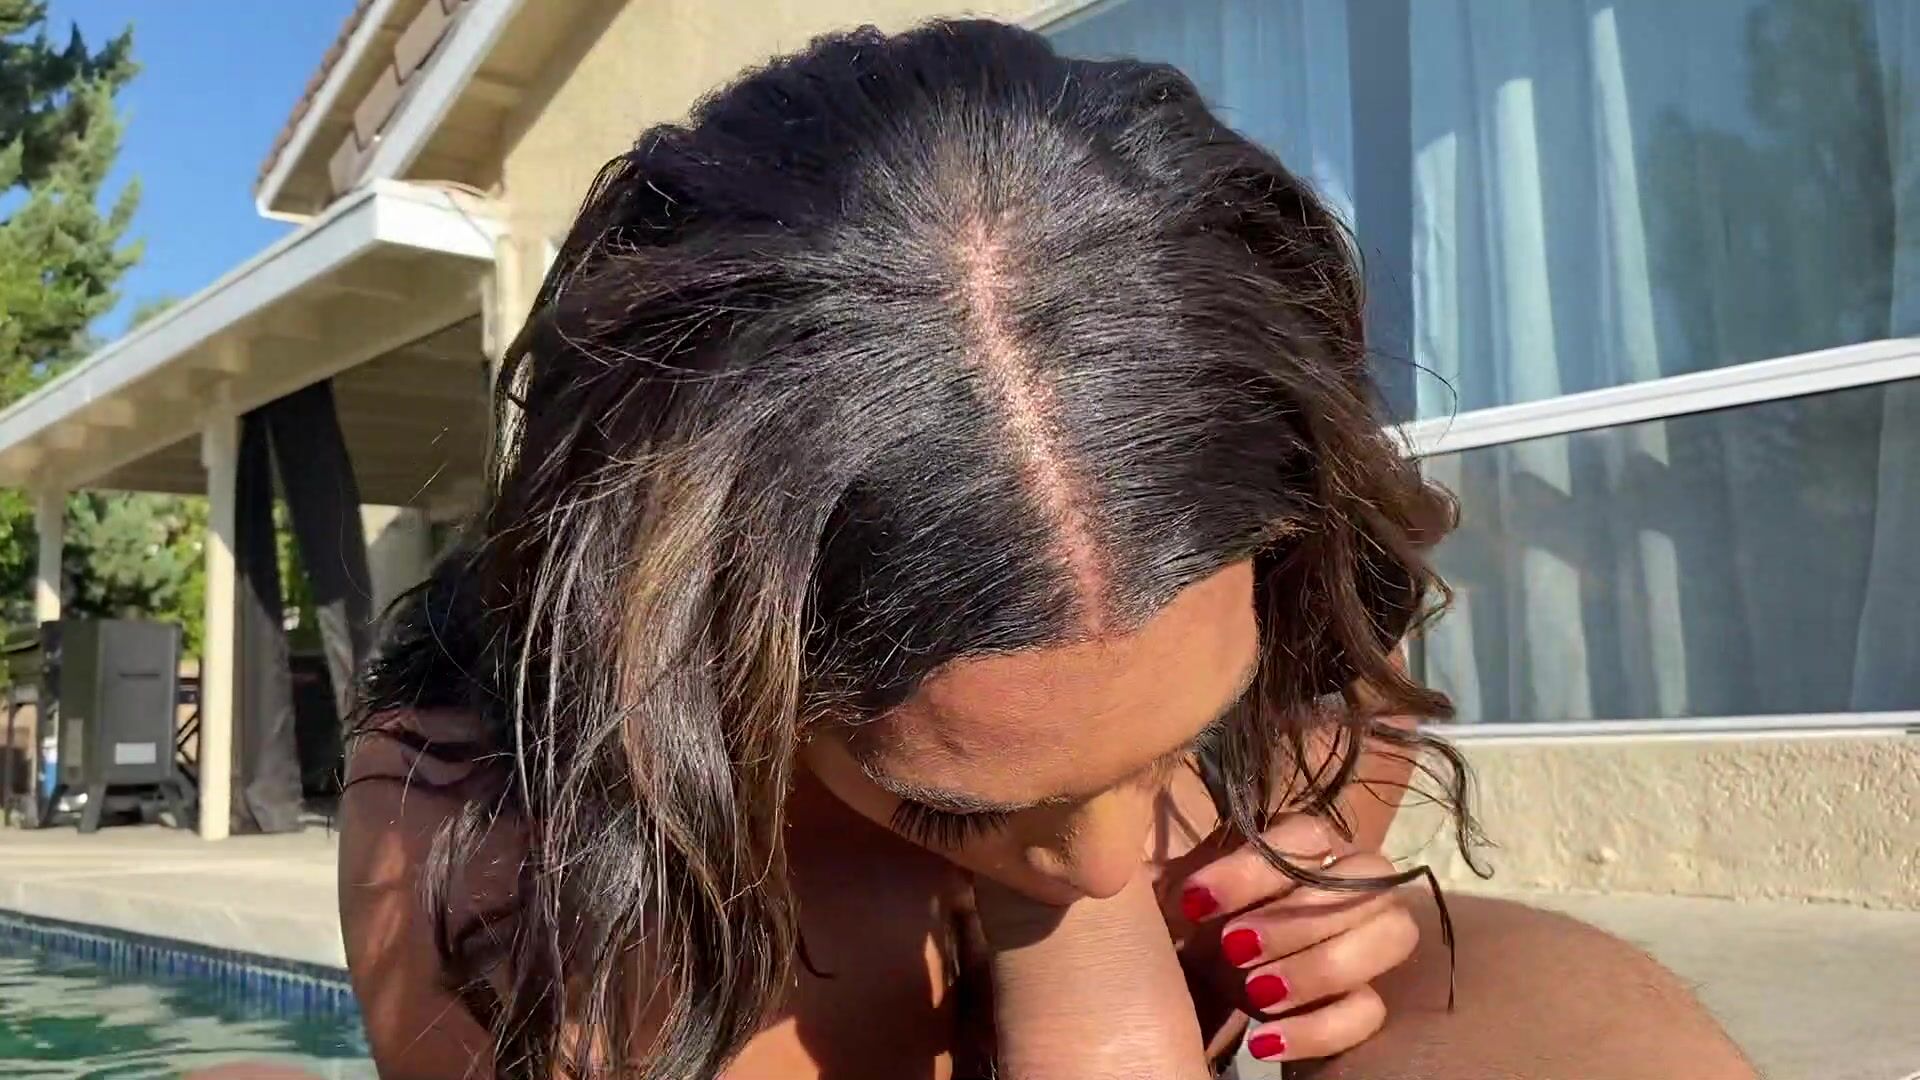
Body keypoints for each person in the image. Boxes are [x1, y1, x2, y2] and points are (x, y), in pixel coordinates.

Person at [339, 19, 1757, 1080]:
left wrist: (1311, 937)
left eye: (1182, 734)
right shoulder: (490, 868)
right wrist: (1084, 942)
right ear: (696, 643)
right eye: (950, 803)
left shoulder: (1300, 659)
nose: (1107, 860)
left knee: (1536, 993)